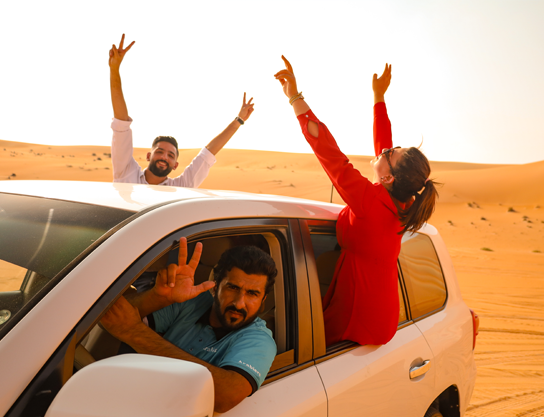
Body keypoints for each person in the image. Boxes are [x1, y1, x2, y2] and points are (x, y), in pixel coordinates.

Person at [274, 58, 438, 346]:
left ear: (388, 177)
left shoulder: (369, 201)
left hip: (355, 317)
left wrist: (295, 98)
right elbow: (383, 147)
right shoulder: (404, 201)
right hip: (383, 317)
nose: (386, 149)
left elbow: (327, 150)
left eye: (391, 152)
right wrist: (379, 99)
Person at [100, 238, 278, 413]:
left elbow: (225, 397)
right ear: (215, 288)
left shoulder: (260, 340)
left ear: (263, 300)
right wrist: (158, 297)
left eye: (252, 294)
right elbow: (110, 314)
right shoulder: (190, 302)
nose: (239, 303)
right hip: (124, 402)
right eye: (232, 288)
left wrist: (135, 333)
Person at [108, 34, 255, 187]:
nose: (164, 157)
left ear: (175, 165)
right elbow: (121, 124)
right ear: (148, 156)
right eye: (159, 152)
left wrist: (239, 120)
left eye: (170, 155)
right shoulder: (126, 174)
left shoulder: (181, 189)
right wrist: (114, 69)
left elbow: (208, 154)